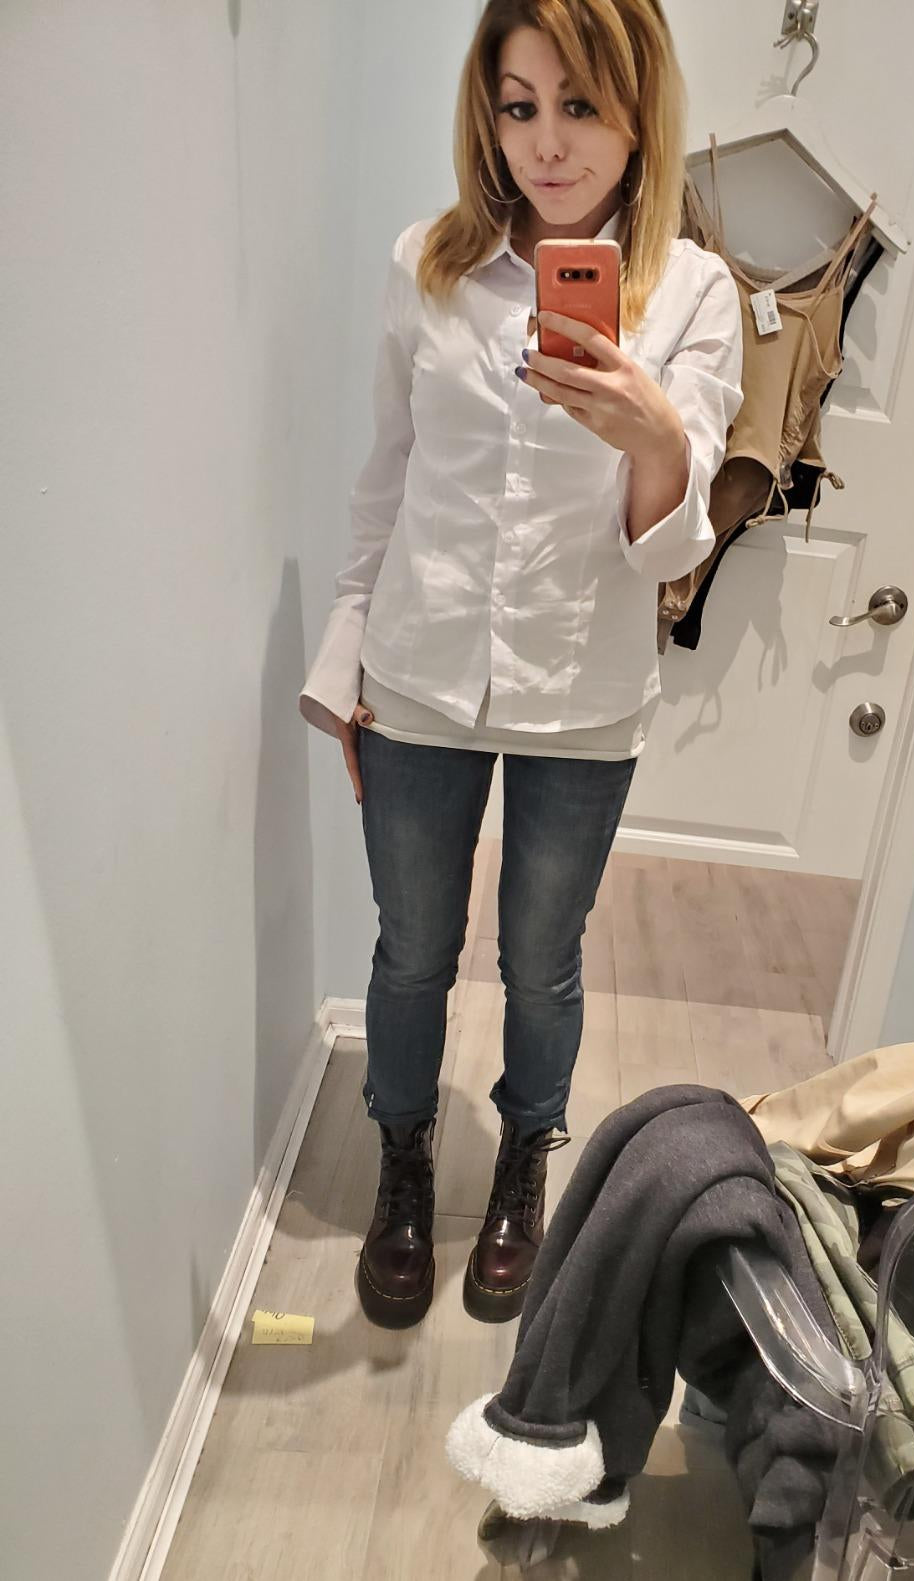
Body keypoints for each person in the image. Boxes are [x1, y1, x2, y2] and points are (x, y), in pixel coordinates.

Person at [300, 0, 742, 1330]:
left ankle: (522, 1165)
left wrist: (653, 435)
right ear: (487, 115)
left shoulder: (692, 295)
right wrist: (345, 657)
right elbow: (387, 479)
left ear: (639, 112)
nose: (549, 142)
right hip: (419, 670)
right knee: (411, 951)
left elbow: (676, 546)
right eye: (519, 105)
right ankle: (402, 1161)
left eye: (581, 105)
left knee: (542, 959)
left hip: (582, 694)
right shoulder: (426, 265)